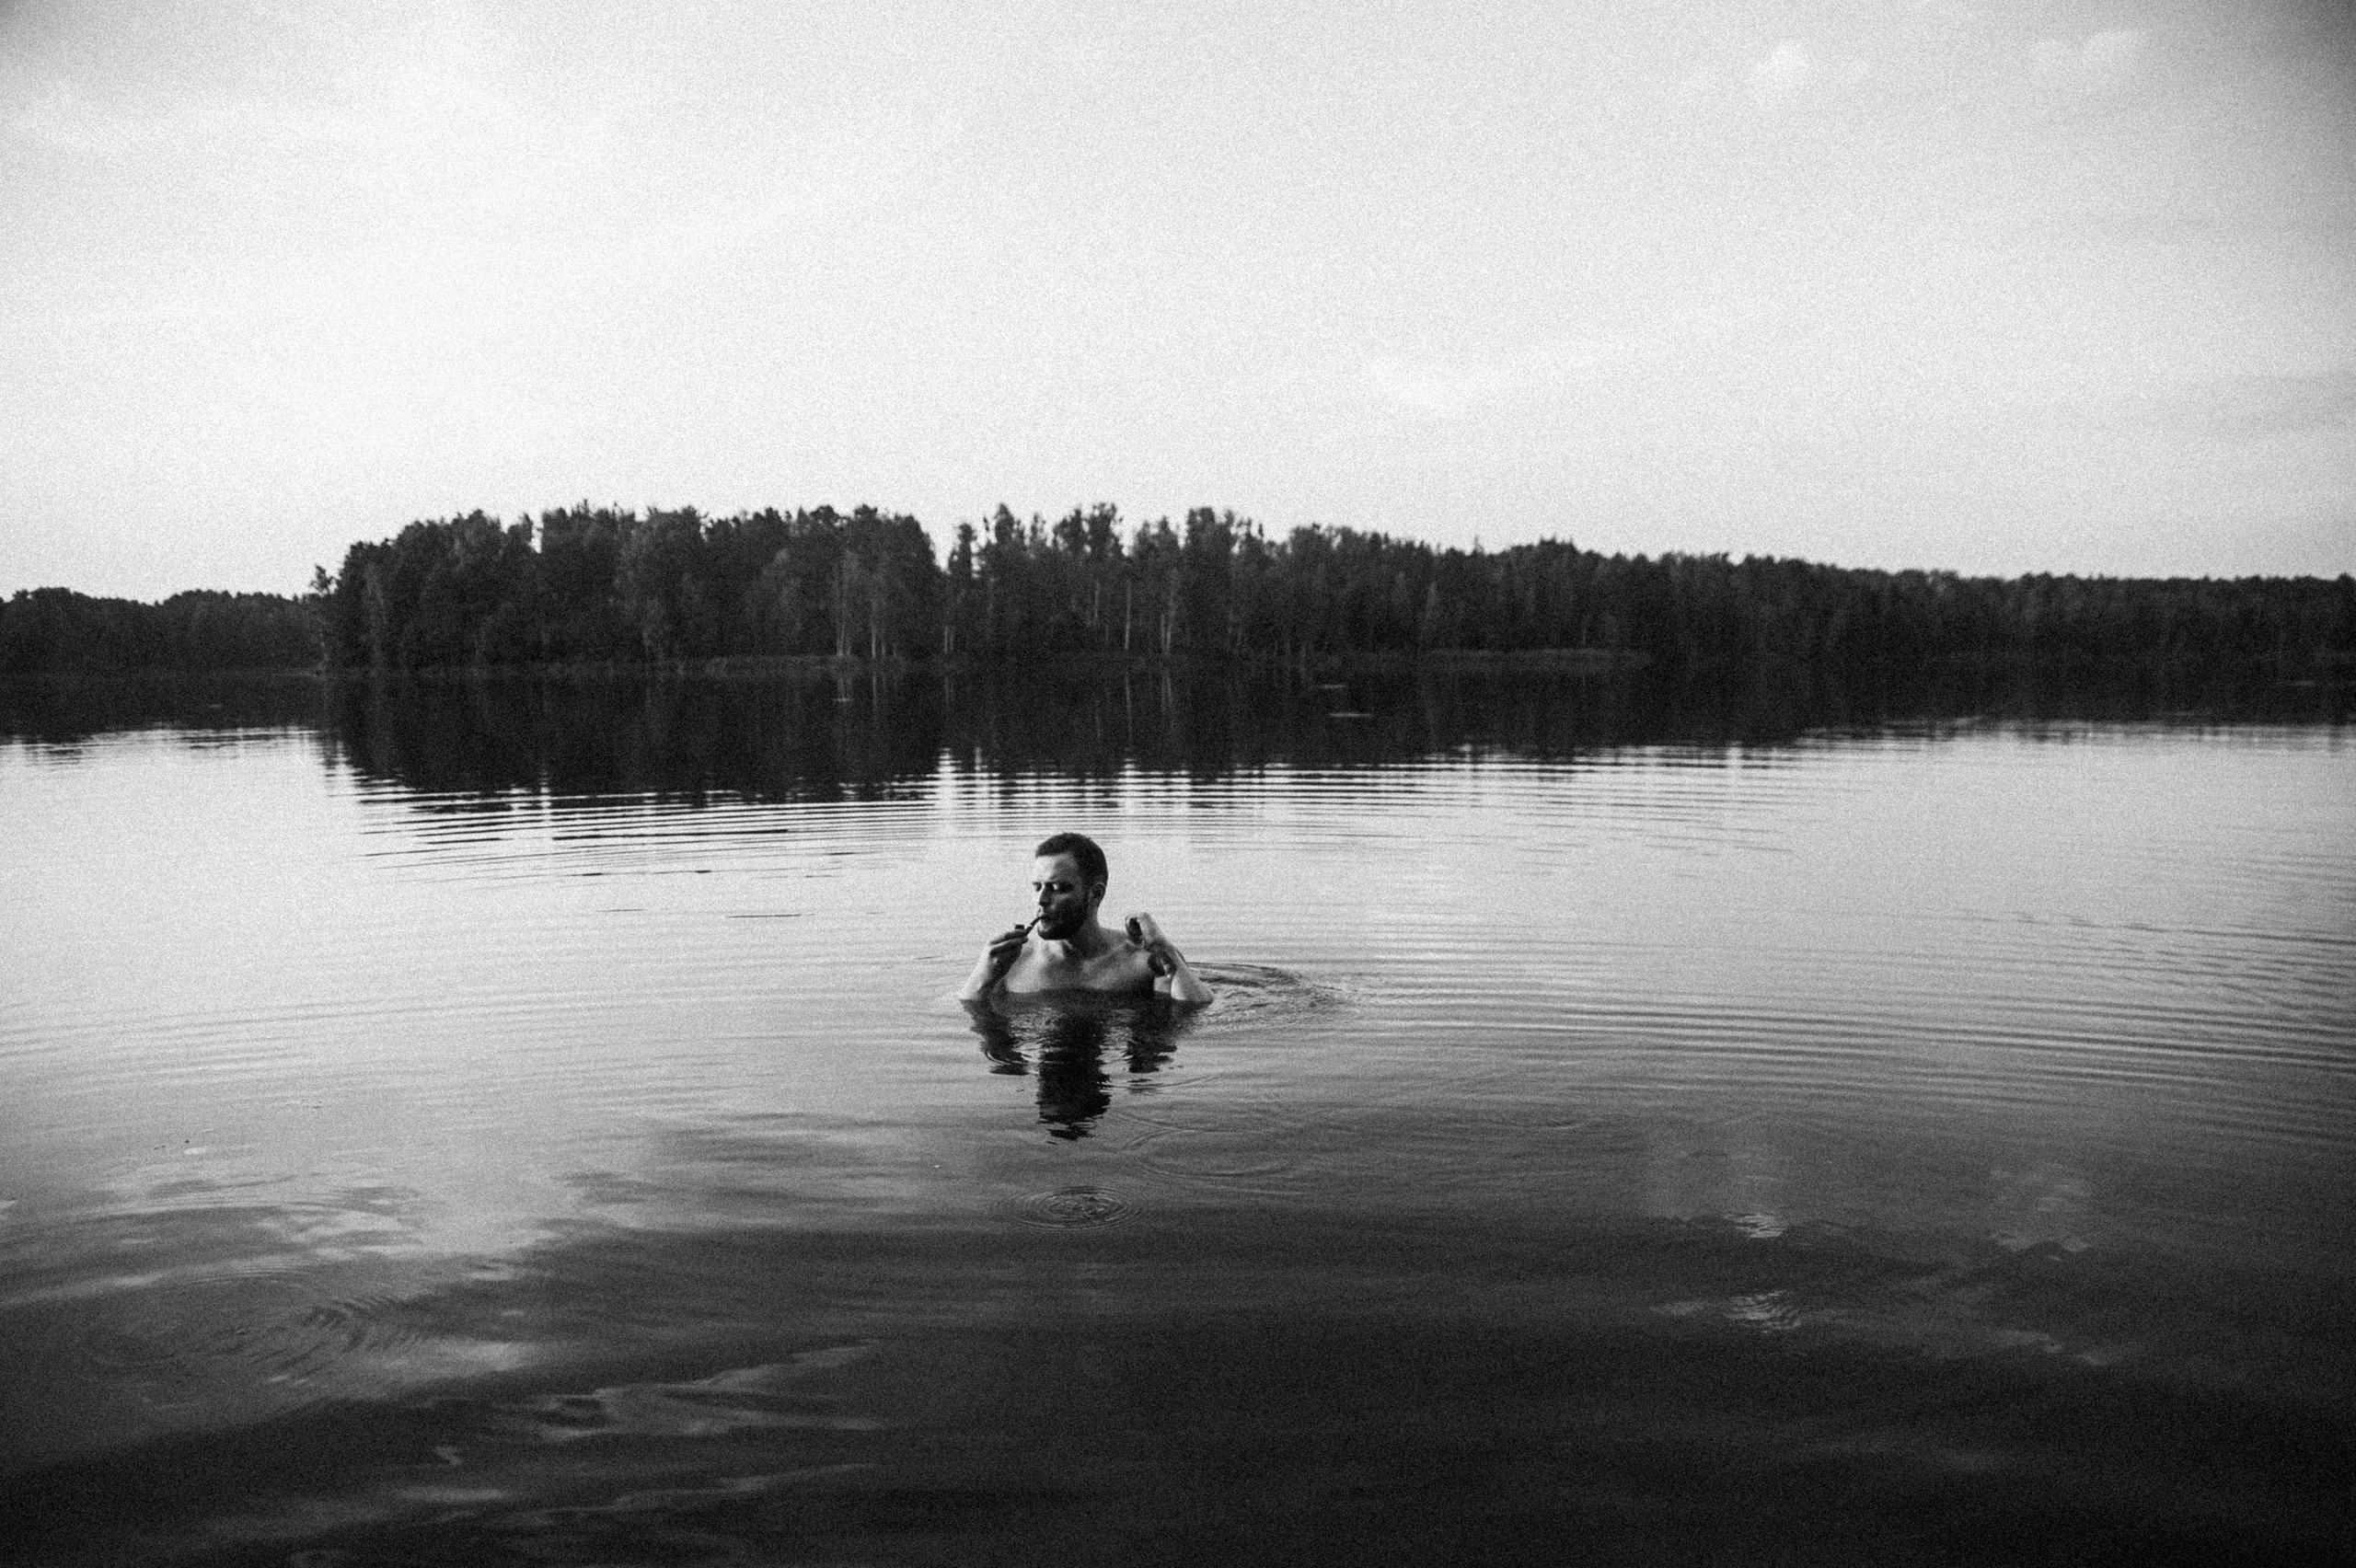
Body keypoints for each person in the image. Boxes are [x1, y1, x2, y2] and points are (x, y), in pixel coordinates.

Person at [959, 832, 1213, 1006]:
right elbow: (969, 1015)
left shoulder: (1141, 960)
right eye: (1037, 887)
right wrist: (983, 975)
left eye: (1057, 888)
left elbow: (1193, 1013)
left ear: (1095, 894)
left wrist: (1165, 951)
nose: (1041, 900)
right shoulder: (1010, 963)